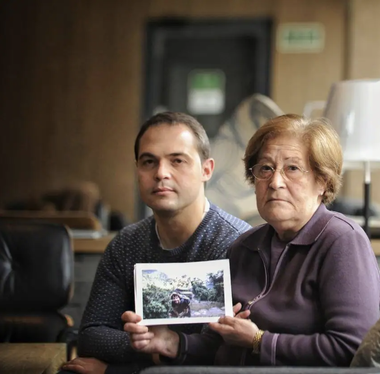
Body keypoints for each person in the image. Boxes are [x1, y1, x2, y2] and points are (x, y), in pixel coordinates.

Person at [122, 114, 380, 367]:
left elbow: (351, 348)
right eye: (265, 169)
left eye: (292, 168)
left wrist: (259, 341)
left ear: (323, 182)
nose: (275, 182)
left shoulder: (342, 240)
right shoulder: (244, 245)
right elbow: (219, 343)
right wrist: (170, 342)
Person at [60, 112, 251, 374]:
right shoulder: (127, 243)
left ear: (207, 169)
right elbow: (91, 336)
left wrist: (117, 370)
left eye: (177, 161)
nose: (161, 173)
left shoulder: (237, 242)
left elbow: (223, 351)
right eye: (149, 161)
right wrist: (142, 341)